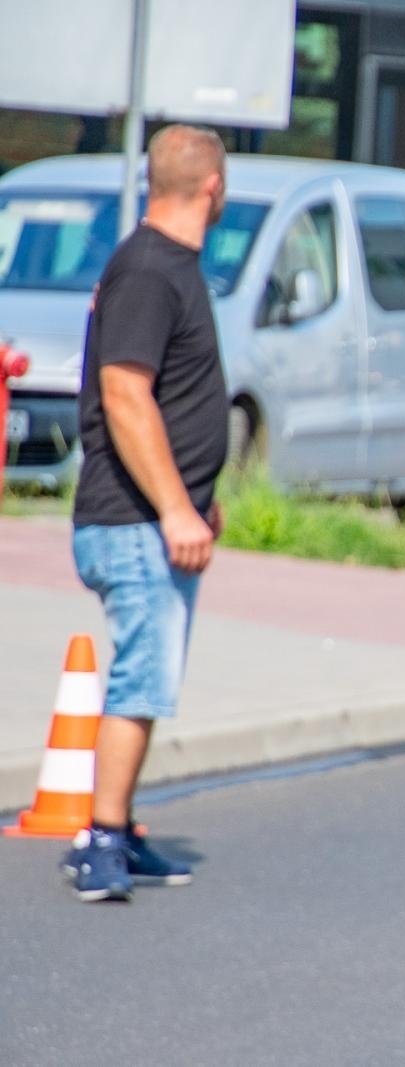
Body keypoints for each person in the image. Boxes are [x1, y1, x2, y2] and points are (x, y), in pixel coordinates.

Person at [64, 124, 229, 902]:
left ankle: (120, 827)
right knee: (139, 677)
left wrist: (197, 498)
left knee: (150, 675)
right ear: (213, 188)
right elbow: (125, 394)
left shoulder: (166, 265)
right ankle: (99, 838)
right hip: (133, 521)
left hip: (156, 517)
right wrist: (173, 508)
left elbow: (172, 394)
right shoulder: (150, 270)